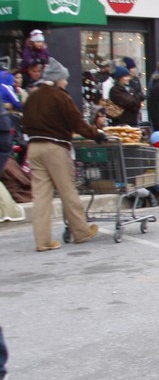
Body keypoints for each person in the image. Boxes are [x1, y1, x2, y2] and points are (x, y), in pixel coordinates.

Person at [21, 59, 105, 251]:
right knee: (68, 190)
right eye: (64, 79)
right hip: (55, 148)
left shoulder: (32, 97)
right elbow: (77, 122)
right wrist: (96, 134)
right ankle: (80, 231)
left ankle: (42, 241)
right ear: (57, 79)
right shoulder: (60, 97)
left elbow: (25, 122)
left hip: (34, 147)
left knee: (41, 196)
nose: (66, 83)